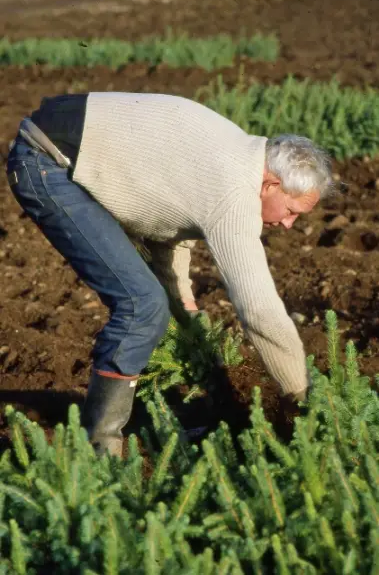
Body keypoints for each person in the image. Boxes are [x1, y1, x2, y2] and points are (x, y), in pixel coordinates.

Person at [6, 92, 333, 457]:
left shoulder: (239, 154)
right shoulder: (235, 192)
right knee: (141, 303)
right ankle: (99, 451)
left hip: (62, 136)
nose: (289, 224)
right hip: (46, 160)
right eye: (291, 210)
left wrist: (188, 315)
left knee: (153, 299)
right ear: (271, 184)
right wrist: (300, 397)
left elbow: (167, 231)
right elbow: (258, 310)